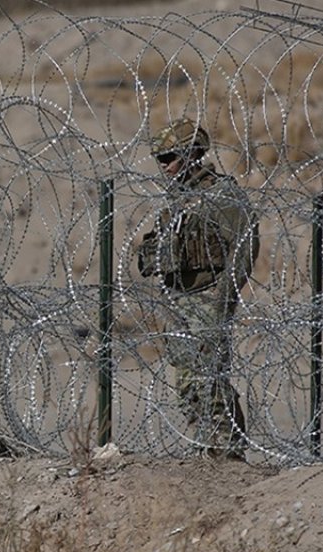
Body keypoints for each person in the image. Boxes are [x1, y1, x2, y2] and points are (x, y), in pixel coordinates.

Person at [136, 118, 259, 460]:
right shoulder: (177, 200)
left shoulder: (220, 194)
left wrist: (224, 299)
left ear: (192, 154)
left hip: (208, 295)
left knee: (209, 376)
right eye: (159, 159)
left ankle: (227, 450)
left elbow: (245, 247)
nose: (163, 166)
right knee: (187, 381)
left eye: (169, 157)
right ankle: (210, 441)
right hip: (178, 298)